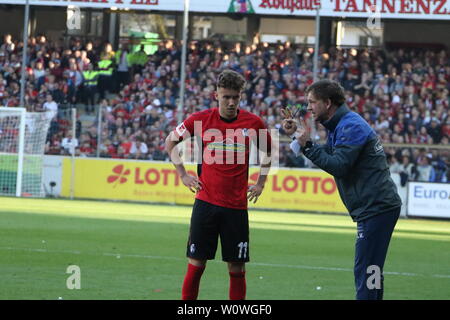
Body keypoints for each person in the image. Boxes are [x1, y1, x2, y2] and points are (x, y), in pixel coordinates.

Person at [281, 79, 401, 300]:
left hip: (376, 206)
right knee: (371, 269)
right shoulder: (342, 124)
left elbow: (339, 166)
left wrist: (307, 145)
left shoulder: (350, 126)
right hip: (375, 206)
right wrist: (298, 135)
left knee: (366, 269)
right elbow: (329, 153)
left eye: (312, 102)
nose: (308, 107)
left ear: (327, 103)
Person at [165, 69, 271, 300]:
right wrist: (183, 174)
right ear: (216, 95)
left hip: (236, 207)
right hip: (206, 204)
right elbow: (170, 142)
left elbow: (269, 151)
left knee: (236, 268)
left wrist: (261, 182)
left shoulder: (253, 123)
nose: (231, 102)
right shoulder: (200, 119)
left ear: (241, 96)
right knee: (196, 263)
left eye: (236, 97)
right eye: (226, 97)